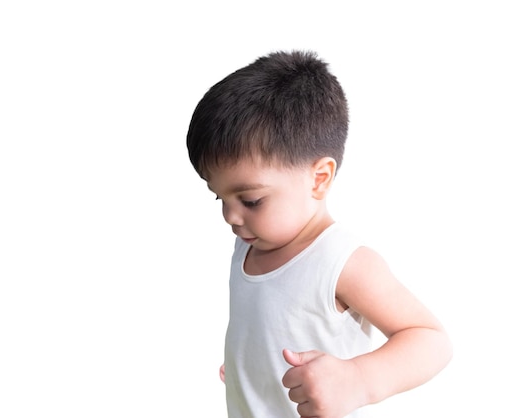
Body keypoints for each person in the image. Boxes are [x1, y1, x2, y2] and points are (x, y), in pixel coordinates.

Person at [185, 50, 452, 418]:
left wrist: (357, 379)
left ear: (319, 177)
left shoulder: (342, 261)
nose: (230, 215)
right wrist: (253, 368)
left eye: (250, 200)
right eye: (219, 196)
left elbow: (430, 339)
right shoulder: (248, 246)